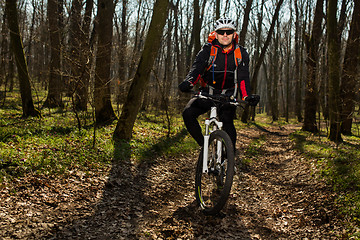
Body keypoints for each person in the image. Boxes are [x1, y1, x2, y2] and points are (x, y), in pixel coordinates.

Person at [178, 17, 258, 149]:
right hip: (207, 93)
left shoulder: (241, 53)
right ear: (215, 34)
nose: (225, 35)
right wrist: (189, 82)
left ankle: (230, 161)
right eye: (221, 32)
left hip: (228, 96)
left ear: (234, 34)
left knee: (227, 121)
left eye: (229, 32)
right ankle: (205, 146)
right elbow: (196, 69)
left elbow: (243, 77)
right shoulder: (208, 50)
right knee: (188, 113)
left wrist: (247, 97)